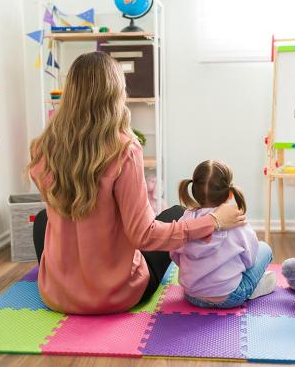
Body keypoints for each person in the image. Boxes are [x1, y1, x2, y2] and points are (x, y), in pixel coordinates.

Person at [27, 51, 245, 315]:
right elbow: (144, 235)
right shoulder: (124, 149)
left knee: (43, 219)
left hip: (56, 295)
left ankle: (67, 283)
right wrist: (214, 221)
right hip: (117, 295)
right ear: (115, 93)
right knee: (177, 213)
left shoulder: (43, 147)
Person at [171, 160, 276, 309]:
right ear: (230, 194)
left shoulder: (186, 222)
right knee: (264, 248)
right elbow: (250, 261)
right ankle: (254, 288)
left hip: (191, 294)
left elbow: (175, 255)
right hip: (229, 297)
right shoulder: (236, 223)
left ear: (193, 190)